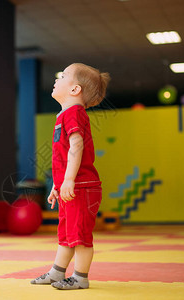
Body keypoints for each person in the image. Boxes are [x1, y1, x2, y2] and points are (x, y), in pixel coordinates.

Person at [31, 63, 110, 290]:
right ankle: (57, 272)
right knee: (66, 234)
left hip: (82, 187)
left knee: (80, 236)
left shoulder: (74, 113)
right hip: (72, 186)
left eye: (62, 75)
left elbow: (77, 146)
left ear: (75, 90)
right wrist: (58, 184)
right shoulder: (64, 115)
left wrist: (69, 180)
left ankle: (81, 277)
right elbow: (63, 156)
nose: (57, 78)